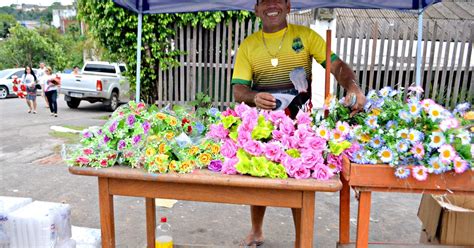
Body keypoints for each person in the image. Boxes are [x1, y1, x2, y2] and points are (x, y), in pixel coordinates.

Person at [231, 0, 366, 246]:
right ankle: (257, 230)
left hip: (299, 127)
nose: (272, 5)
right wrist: (253, 97)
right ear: (257, 9)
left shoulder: (305, 36)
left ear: (289, 6)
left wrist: (353, 87)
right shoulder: (248, 45)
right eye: (264, 1)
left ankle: (300, 239)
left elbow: (336, 66)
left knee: (299, 180)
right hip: (263, 125)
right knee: (259, 178)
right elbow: (238, 90)